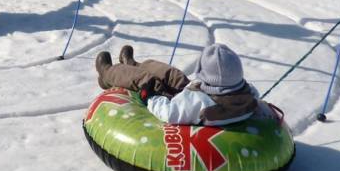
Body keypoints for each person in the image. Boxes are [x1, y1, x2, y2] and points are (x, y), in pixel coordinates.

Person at [95, 43, 261, 126]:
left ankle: (107, 73)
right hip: (198, 93)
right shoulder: (249, 94)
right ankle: (133, 64)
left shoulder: (201, 104)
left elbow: (169, 113)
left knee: (146, 80)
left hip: (172, 101)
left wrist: (151, 96)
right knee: (174, 75)